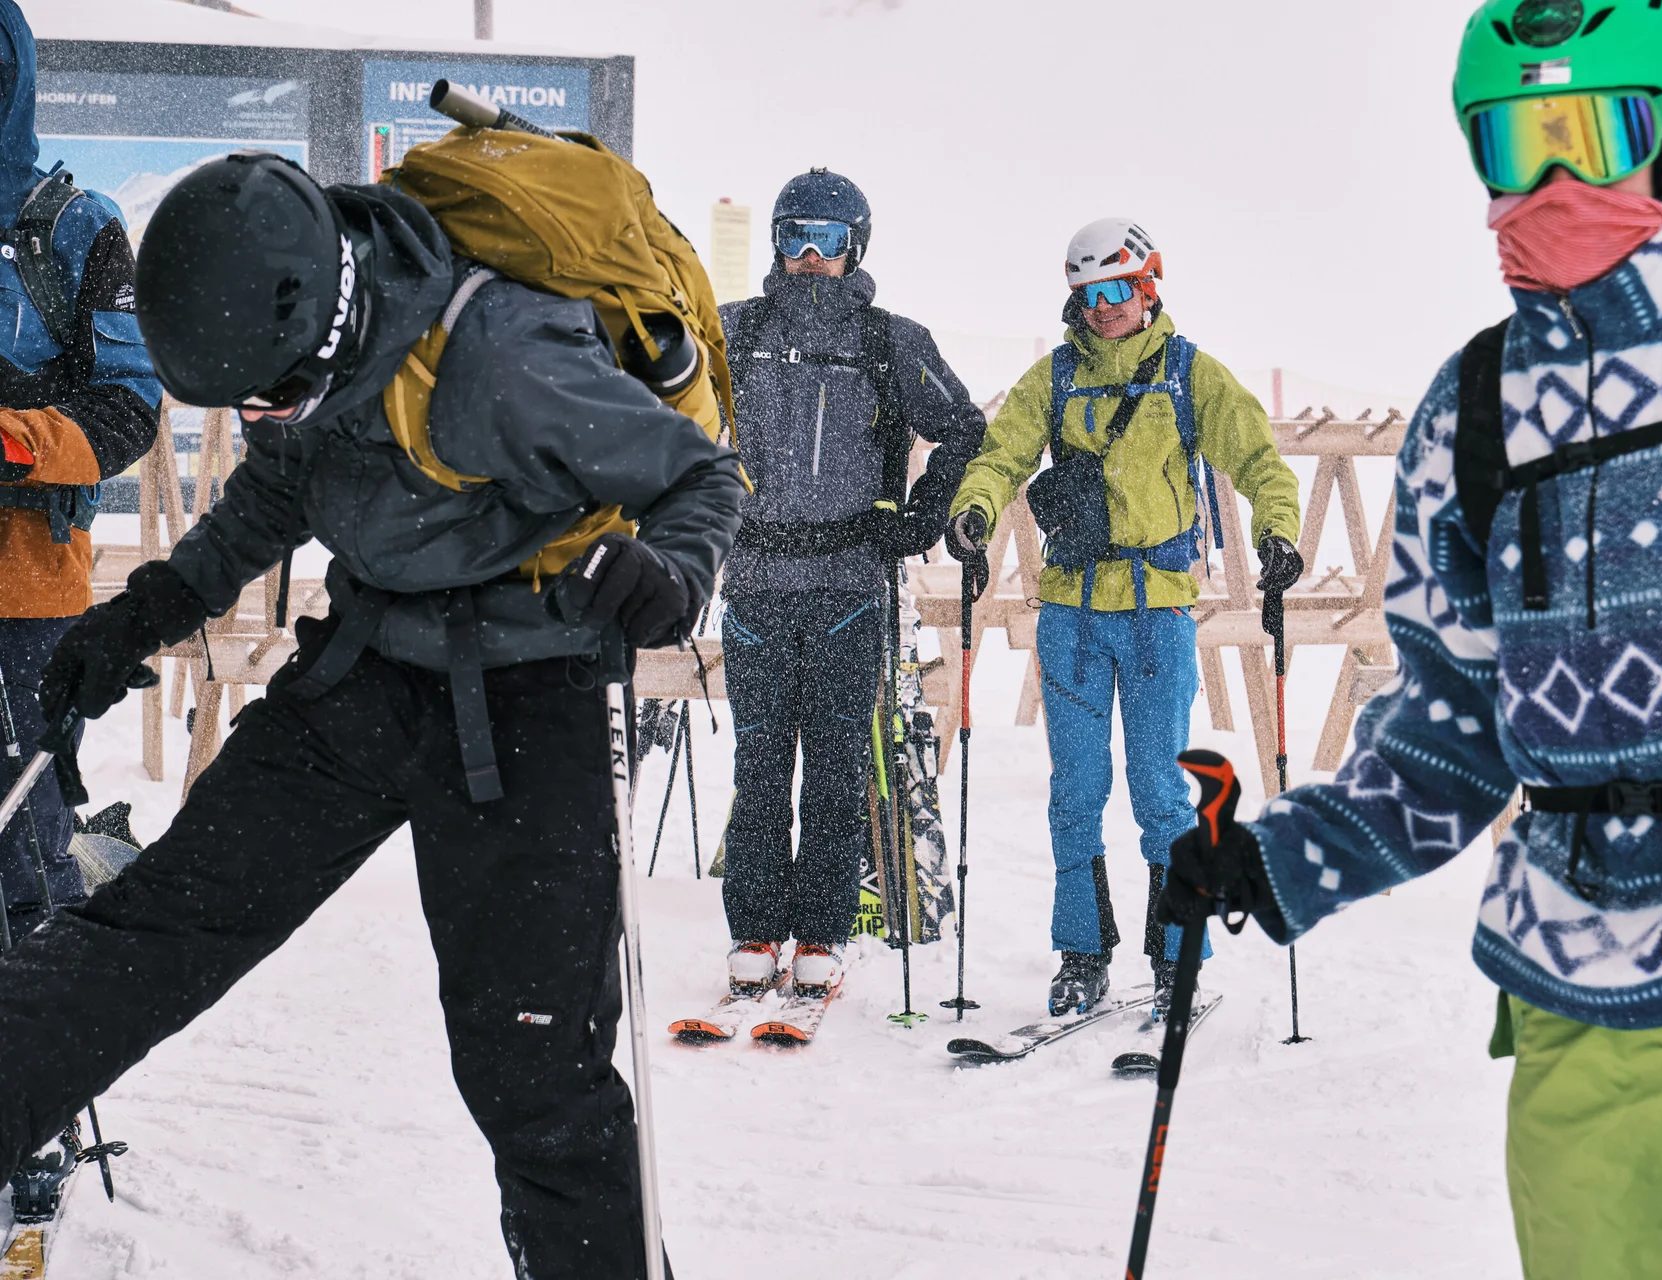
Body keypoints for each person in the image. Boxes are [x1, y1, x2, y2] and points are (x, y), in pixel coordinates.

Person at [1163, 2, 1662, 1274]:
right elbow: (1448, 738)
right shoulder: (1473, 412)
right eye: (1518, 144)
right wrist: (1270, 861)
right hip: (1576, 984)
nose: (1555, 181)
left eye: (1591, 132)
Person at [0, 153, 742, 1277]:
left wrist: (672, 572)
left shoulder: (504, 361)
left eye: (272, 395)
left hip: (530, 694)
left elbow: (701, 481)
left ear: (334, 325)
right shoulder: (291, 331)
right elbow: (283, 483)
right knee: (149, 933)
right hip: (366, 665)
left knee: (532, 1067)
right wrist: (153, 606)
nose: (264, 414)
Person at [946, 218, 1301, 1016]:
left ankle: (1178, 956)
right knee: (1074, 790)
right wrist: (974, 508)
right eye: (1086, 293)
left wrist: (1278, 530)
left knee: (1158, 792)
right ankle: (1081, 952)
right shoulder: (1055, 377)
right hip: (1070, 611)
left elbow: (1259, 460)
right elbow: (1002, 454)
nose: (1102, 307)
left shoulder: (1188, 374)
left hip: (1157, 615)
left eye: (1116, 289)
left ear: (1149, 286)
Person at [716, 168, 986, 1002]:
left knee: (835, 765)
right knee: (759, 762)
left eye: (827, 241)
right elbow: (667, 411)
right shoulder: (734, 330)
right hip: (756, 577)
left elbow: (965, 427)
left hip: (847, 583)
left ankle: (823, 932)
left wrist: (921, 515)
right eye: (794, 235)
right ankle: (754, 927)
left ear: (854, 249)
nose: (808, 255)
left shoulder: (891, 341)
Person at [0, 0, 159, 940]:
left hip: (25, 591)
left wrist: (18, 443)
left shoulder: (71, 228)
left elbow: (130, 406)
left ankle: (31, 1069)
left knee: (24, 845)